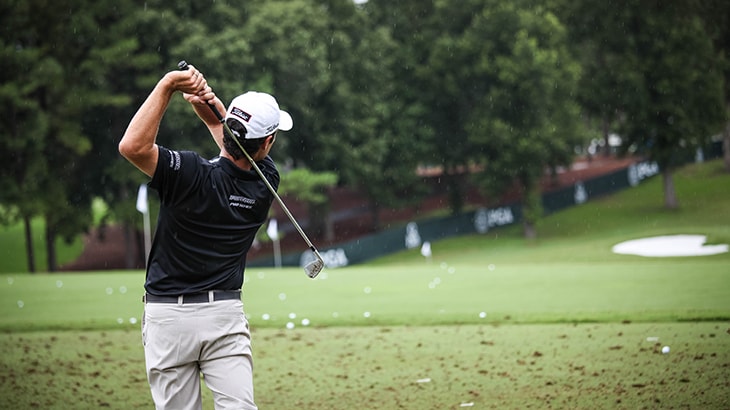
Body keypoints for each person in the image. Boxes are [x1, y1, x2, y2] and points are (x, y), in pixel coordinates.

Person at [118, 65, 292, 410]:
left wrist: (168, 86)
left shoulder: (188, 173)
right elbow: (233, 142)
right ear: (268, 141)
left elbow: (132, 147)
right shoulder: (266, 181)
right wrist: (213, 114)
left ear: (229, 131)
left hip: (168, 318)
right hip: (224, 316)